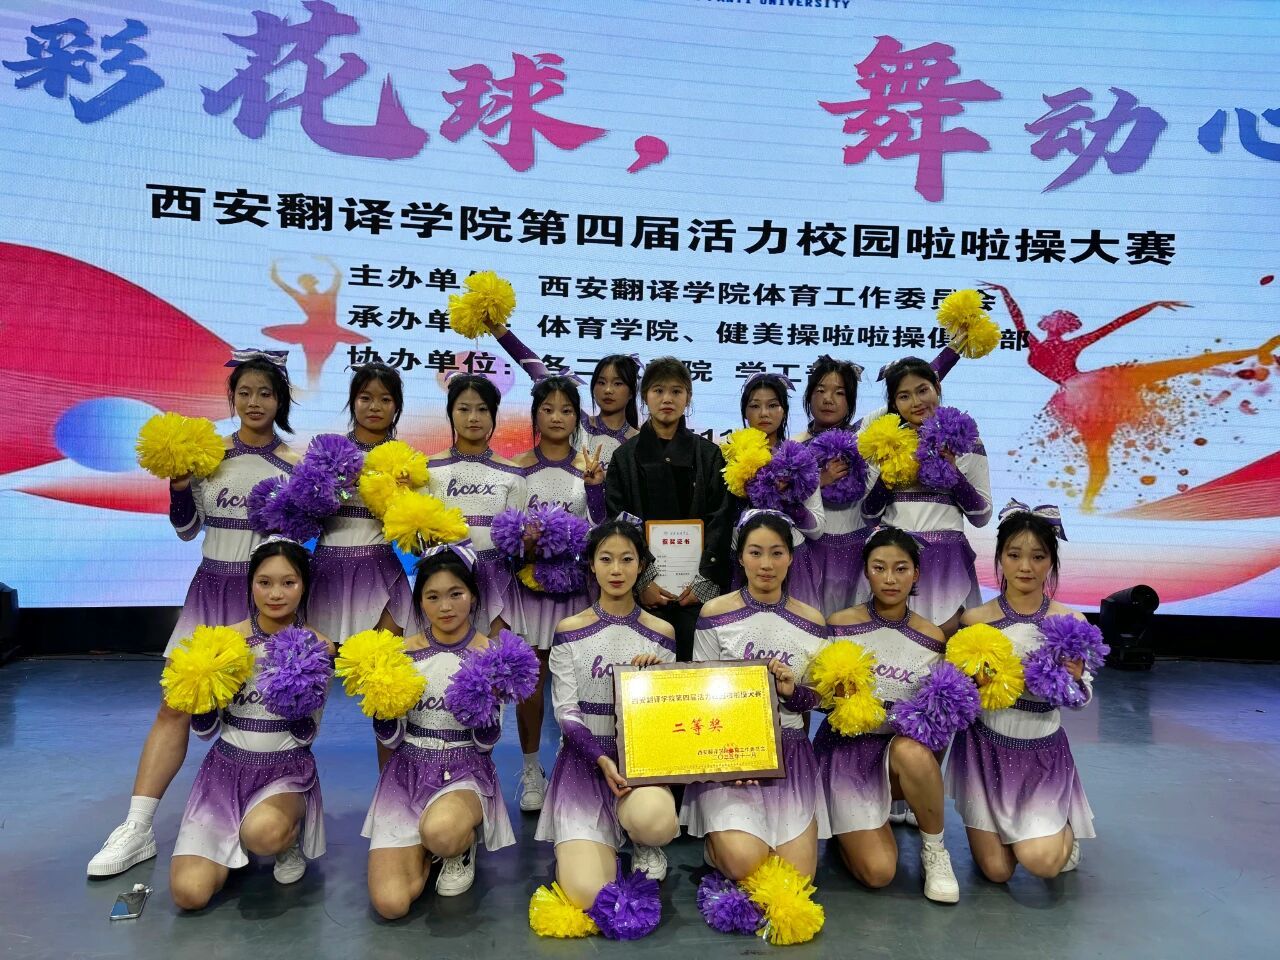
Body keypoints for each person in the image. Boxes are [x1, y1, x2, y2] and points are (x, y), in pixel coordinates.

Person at [88, 350, 300, 878]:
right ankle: (137, 827)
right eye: (245, 393)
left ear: (281, 401)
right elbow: (186, 530)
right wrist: (179, 484)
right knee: (175, 705)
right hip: (210, 593)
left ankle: (286, 822)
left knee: (273, 711)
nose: (255, 402)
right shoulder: (206, 456)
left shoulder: (295, 464)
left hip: (269, 600)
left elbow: (301, 540)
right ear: (232, 398)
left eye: (266, 393)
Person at [981, 281, 1278, 511]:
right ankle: (1087, 506)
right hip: (1080, 396)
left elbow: (1115, 325)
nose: (1056, 323)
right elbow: (1018, 319)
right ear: (1048, 324)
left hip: (1088, 389)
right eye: (1055, 319)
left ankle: (1256, 349)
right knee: (1098, 453)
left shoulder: (1067, 344)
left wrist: (1152, 305)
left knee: (1175, 367)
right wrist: (1005, 292)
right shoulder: (1035, 342)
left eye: (1061, 320)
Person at [169, 538, 334, 910]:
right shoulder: (222, 642)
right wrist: (203, 702)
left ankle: (283, 839)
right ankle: (231, 846)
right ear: (250, 585)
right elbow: (204, 731)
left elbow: (306, 732)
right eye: (265, 582)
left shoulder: (319, 647)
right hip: (222, 773)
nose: (276, 594)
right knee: (189, 894)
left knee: (264, 834)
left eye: (288, 583)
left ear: (303, 586)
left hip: (284, 771)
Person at [534, 518, 680, 908]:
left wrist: (657, 681)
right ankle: (588, 843)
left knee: (656, 821)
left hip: (639, 764)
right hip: (583, 763)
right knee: (587, 895)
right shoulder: (569, 629)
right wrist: (600, 759)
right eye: (606, 559)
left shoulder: (662, 632)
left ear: (641, 565)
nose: (617, 570)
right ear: (592, 565)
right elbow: (566, 712)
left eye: (627, 559)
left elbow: (669, 720)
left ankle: (644, 840)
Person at [364, 544, 516, 918]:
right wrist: (382, 710)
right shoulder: (398, 654)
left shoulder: (491, 655)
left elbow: (485, 744)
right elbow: (391, 739)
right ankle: (425, 844)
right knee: (391, 904)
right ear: (420, 602)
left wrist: (486, 712)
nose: (445, 606)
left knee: (443, 833)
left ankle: (457, 845)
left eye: (455, 594)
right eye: (433, 597)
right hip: (406, 774)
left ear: (473, 596)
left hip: (464, 772)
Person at [946, 502, 1095, 881]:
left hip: (1041, 753)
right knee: (997, 872)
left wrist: (1075, 679)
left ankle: (1062, 828)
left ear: (1051, 562)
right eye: (1014, 555)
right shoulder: (974, 621)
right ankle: (1026, 833)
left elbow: (1081, 700)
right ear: (1000, 558)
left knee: (1042, 864)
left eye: (1037, 557)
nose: (1025, 567)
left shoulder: (1070, 621)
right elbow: (959, 694)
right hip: (984, 752)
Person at [680, 510, 830, 880]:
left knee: (795, 879)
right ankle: (719, 844)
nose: (766, 564)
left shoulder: (812, 621)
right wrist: (733, 759)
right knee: (745, 865)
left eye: (777, 553)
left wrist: (793, 692)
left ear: (790, 557)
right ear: (741, 557)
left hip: (790, 754)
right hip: (728, 751)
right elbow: (699, 693)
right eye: (756, 552)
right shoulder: (715, 612)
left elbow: (821, 698)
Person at [819, 526, 960, 903]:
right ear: (867, 571)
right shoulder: (839, 624)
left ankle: (934, 850)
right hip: (845, 755)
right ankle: (844, 831)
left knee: (913, 750)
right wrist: (834, 696)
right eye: (879, 568)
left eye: (901, 569)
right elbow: (819, 699)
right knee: (879, 873)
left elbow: (939, 721)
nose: (890, 578)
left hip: (898, 758)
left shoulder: (932, 638)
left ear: (916, 573)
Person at [506, 376, 606, 812]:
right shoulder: (516, 468)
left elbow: (602, 529)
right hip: (529, 592)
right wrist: (528, 544)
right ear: (535, 415)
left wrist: (596, 488)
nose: (557, 417)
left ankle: (576, 764)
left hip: (575, 590)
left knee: (577, 682)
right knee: (530, 684)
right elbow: (506, 536)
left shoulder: (589, 467)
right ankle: (531, 769)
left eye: (566, 410)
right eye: (548, 409)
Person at [605, 356, 735, 660]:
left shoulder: (709, 455)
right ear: (644, 397)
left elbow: (721, 518)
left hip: (696, 593)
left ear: (688, 397)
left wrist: (704, 582)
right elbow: (619, 523)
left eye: (676, 391)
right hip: (644, 595)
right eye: (658, 390)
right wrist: (642, 580)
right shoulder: (624, 457)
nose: (667, 399)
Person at [861, 357, 991, 635]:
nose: (916, 402)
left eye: (922, 390)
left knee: (948, 645)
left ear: (937, 388)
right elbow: (868, 515)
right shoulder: (884, 443)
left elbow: (981, 516)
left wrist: (953, 472)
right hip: (895, 561)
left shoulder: (966, 441)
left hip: (948, 561)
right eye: (904, 396)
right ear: (894, 403)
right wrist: (886, 479)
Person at [308, 362, 414, 644]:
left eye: (385, 399)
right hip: (327, 571)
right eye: (365, 398)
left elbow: (416, 535)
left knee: (383, 664)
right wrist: (337, 485)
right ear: (353, 401)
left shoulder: (407, 460)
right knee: (323, 663)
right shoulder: (327, 453)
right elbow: (304, 513)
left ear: (396, 406)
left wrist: (404, 496)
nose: (374, 407)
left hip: (381, 569)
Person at [426, 374, 526, 634]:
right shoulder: (427, 469)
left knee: (496, 655)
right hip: (443, 581)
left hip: (498, 581)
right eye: (464, 409)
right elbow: (416, 542)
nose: (473, 418)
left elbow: (518, 544)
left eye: (482, 409)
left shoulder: (513, 473)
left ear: (493, 415)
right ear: (450, 413)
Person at [732, 373, 824, 608]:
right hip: (743, 564)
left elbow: (817, 529)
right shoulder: (728, 458)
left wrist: (786, 497)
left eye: (773, 405)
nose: (764, 413)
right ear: (745, 412)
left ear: (784, 411)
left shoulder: (800, 458)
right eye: (755, 406)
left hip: (791, 562)